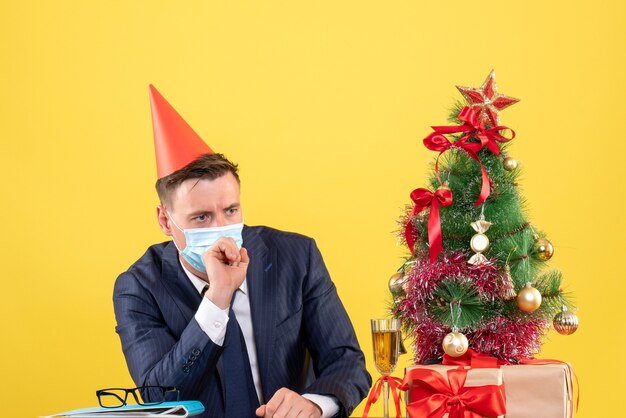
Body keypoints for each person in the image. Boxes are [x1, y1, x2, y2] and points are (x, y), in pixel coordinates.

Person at [113, 85, 371, 418]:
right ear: (165, 220)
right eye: (201, 217)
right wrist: (217, 300)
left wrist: (315, 404)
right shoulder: (139, 286)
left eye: (231, 211)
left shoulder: (296, 257)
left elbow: (347, 361)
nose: (221, 229)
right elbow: (158, 397)